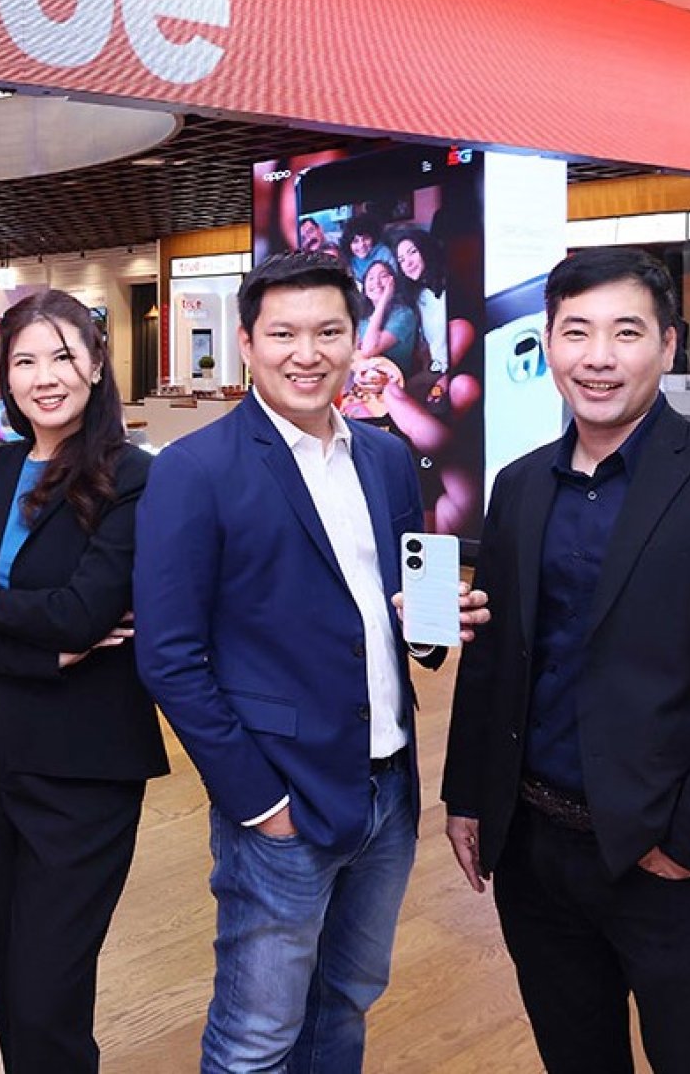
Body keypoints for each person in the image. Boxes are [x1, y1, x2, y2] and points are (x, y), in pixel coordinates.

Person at [441, 248, 690, 1074]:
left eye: (626, 332)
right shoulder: (518, 486)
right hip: (531, 845)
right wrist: (467, 794)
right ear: (549, 343)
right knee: (575, 1054)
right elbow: (494, 656)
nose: (599, 357)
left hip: (659, 850)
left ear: (669, 344)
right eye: (576, 332)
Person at [134, 250, 486, 1072]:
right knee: (255, 1036)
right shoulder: (195, 469)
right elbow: (169, 656)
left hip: (389, 787)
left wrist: (435, 625)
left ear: (354, 339)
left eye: (328, 331)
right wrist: (259, 803)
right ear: (247, 343)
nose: (307, 352)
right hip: (282, 797)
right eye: (284, 333)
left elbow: (403, 611)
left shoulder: (386, 457)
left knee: (346, 1000)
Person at [0, 289, 168, 1074]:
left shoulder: (134, 477)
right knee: (4, 972)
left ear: (95, 364)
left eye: (63, 355)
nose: (44, 376)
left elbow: (78, 613)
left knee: (46, 994)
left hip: (79, 769)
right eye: (25, 360)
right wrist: (41, 651)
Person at [389, 226, 449, 372]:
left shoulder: (450, 289)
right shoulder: (418, 294)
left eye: (413, 252)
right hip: (436, 367)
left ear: (426, 250)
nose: (408, 263)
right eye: (401, 260)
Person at [354, 258, 418, 377]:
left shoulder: (404, 314)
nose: (376, 282)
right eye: (371, 278)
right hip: (368, 376)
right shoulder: (364, 315)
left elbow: (368, 350)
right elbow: (355, 346)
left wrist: (384, 299)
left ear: (393, 283)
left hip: (395, 379)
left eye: (383, 276)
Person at [339, 211, 394, 283]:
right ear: (348, 244)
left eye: (365, 238)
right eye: (355, 241)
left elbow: (394, 279)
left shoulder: (384, 253)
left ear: (373, 238)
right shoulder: (349, 260)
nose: (361, 245)